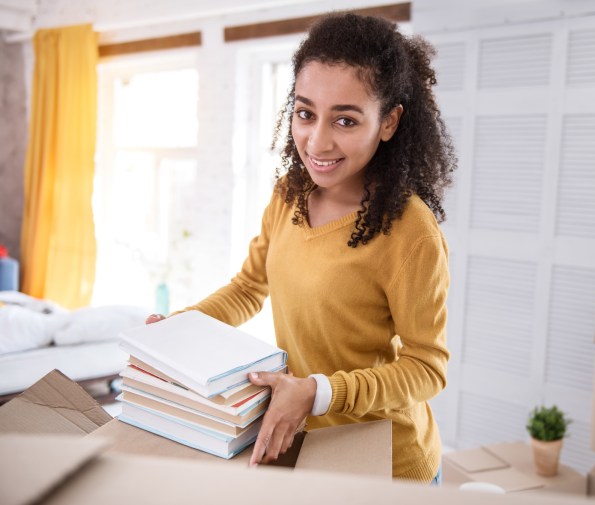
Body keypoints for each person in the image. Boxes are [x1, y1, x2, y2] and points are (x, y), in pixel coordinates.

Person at [146, 12, 456, 483]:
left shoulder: (411, 231)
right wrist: (179, 330)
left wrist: (318, 392)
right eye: (305, 113)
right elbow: (250, 286)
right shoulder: (289, 193)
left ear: (389, 122)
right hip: (307, 444)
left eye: (346, 120)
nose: (317, 140)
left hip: (388, 464)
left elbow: (426, 367)